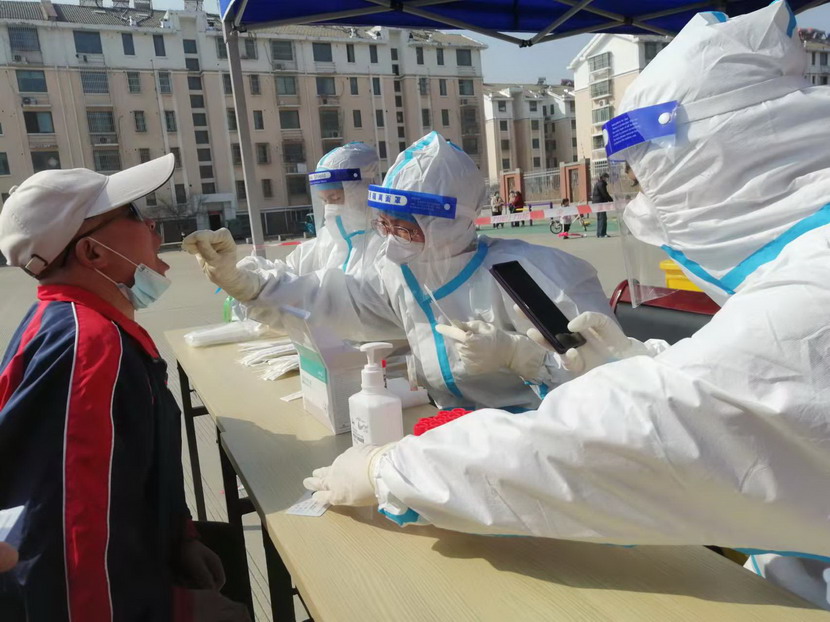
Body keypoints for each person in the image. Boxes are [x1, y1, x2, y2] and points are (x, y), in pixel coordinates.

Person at [303, 3, 830, 610]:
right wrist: (635, 363)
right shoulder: (804, 266)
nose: (645, 206)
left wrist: (391, 472)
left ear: (717, 166)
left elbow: (627, 436)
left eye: (653, 181)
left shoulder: (810, 288)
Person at [184, 132, 613, 411]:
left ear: (447, 221)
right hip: (453, 427)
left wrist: (522, 357)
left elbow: (609, 384)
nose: (390, 242)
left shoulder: (533, 275)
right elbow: (328, 299)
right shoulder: (402, 275)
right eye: (384, 225)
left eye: (404, 227)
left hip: (541, 437)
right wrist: (246, 283)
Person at [0, 156, 250, 621]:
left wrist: (180, 536)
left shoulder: (76, 325)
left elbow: (132, 470)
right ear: (92, 253)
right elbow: (69, 529)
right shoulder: (90, 348)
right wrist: (172, 609)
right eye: (134, 214)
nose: (153, 226)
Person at [285, 142, 381, 275]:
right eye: (324, 201)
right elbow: (290, 268)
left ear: (363, 192)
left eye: (336, 198)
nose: (329, 209)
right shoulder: (324, 242)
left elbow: (356, 286)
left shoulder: (385, 244)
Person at [591, 173, 612, 237]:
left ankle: (599, 233)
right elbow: (604, 193)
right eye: (607, 178)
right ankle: (602, 233)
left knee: (600, 218)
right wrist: (611, 200)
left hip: (597, 203)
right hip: (600, 203)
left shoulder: (598, 183)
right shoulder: (601, 184)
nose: (607, 179)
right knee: (603, 218)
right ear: (603, 177)